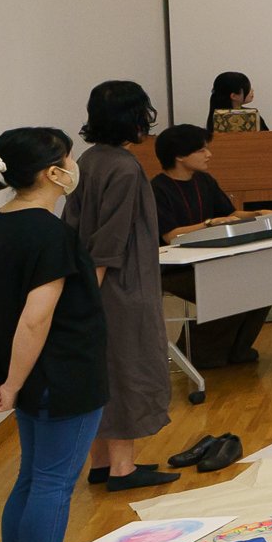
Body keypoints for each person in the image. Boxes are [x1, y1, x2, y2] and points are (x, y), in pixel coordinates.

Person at [0, 128, 109, 542]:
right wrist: (12, 383)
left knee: (32, 475)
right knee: (53, 481)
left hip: (25, 375)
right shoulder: (49, 234)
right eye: (69, 160)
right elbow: (34, 318)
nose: (74, 168)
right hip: (57, 375)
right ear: (54, 173)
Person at [61, 80, 174, 490]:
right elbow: (109, 242)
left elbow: (73, 228)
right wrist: (88, 298)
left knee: (103, 372)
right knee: (128, 369)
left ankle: (102, 464)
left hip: (90, 284)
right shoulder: (125, 168)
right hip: (120, 289)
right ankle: (123, 469)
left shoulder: (88, 161)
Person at [152, 125, 266, 366]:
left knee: (262, 281)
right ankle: (196, 353)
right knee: (227, 288)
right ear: (180, 156)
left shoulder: (203, 180)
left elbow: (230, 213)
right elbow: (171, 235)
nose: (208, 154)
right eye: (201, 149)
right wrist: (209, 224)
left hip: (209, 260)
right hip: (174, 268)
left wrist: (261, 214)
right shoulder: (157, 188)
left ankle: (238, 349)